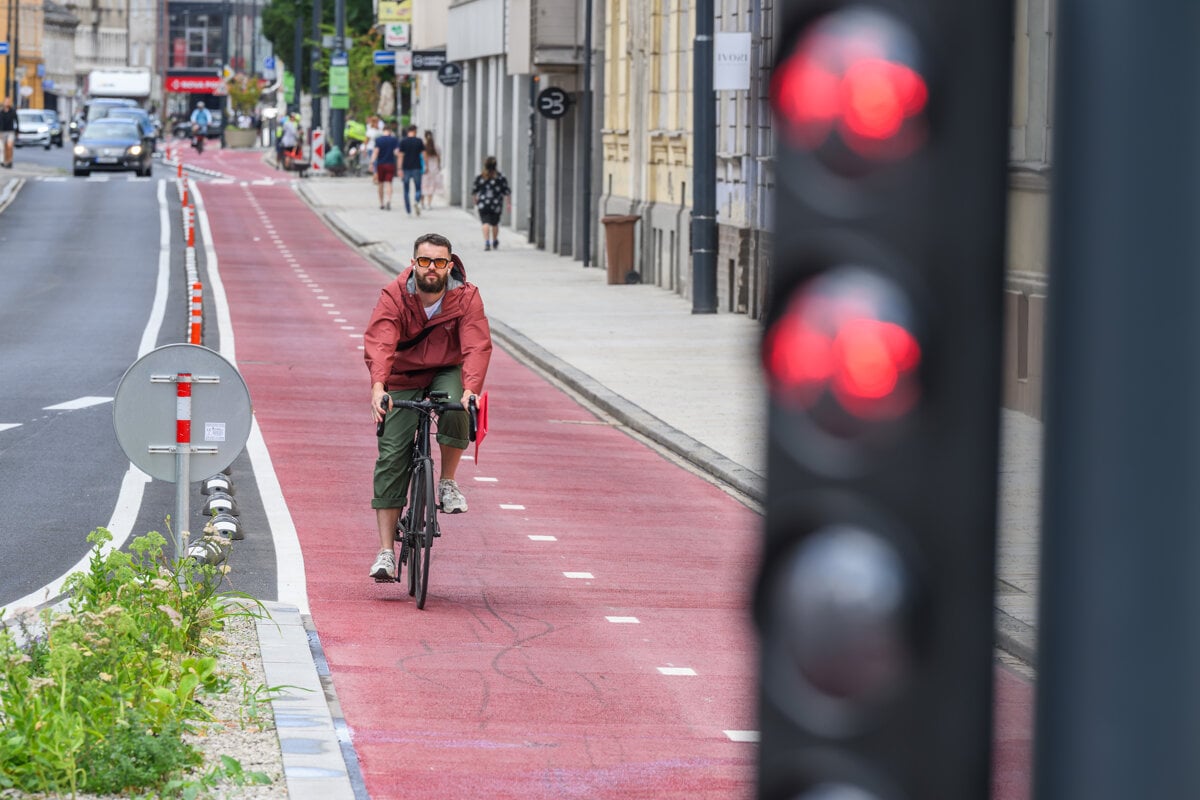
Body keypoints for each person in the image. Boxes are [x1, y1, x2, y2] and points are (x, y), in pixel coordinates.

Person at [364, 232, 493, 581]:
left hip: (446, 369)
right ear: (413, 264)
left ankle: (447, 481)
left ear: (449, 265)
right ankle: (386, 553)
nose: (431, 268)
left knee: (456, 404)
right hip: (403, 372)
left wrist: (471, 390)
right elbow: (381, 341)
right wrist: (378, 386)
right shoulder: (395, 294)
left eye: (439, 261)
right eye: (424, 261)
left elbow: (476, 345)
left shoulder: (466, 296)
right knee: (391, 455)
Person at [471, 156, 511, 251]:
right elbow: (506, 191)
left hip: (483, 204)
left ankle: (487, 242)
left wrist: (475, 200)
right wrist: (508, 203)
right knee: (494, 223)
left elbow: (474, 191)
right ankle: (495, 240)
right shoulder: (500, 177)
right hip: (496, 204)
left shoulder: (480, 177)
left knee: (485, 222)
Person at [398, 124, 425, 216]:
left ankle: (408, 210)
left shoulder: (403, 141)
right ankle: (416, 201)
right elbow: (424, 154)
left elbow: (400, 156)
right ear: (415, 131)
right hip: (417, 167)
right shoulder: (419, 141)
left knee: (406, 190)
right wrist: (426, 165)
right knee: (418, 188)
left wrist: (399, 168)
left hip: (406, 168)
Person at [372, 125, 400, 210]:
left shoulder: (378, 140)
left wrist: (372, 162)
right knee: (389, 183)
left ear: (383, 131)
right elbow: (396, 152)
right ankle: (389, 200)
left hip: (380, 164)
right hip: (390, 164)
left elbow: (376, 152)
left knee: (380, 184)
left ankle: (381, 203)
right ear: (390, 131)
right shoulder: (394, 140)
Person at [421, 130, 442, 210]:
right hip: (434, 168)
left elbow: (422, 157)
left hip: (425, 169)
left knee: (423, 187)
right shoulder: (436, 147)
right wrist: (439, 166)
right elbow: (439, 158)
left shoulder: (423, 146)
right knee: (431, 187)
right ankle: (429, 204)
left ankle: (422, 204)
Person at [0, 97, 16, 169]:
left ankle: (9, 161)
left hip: (10, 131)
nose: (7, 103)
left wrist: (17, 131)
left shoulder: (12, 111)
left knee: (9, 146)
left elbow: (17, 120)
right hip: (2, 131)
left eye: (8, 102)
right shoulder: (1, 112)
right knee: (3, 147)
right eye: (6, 102)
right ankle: (4, 161)